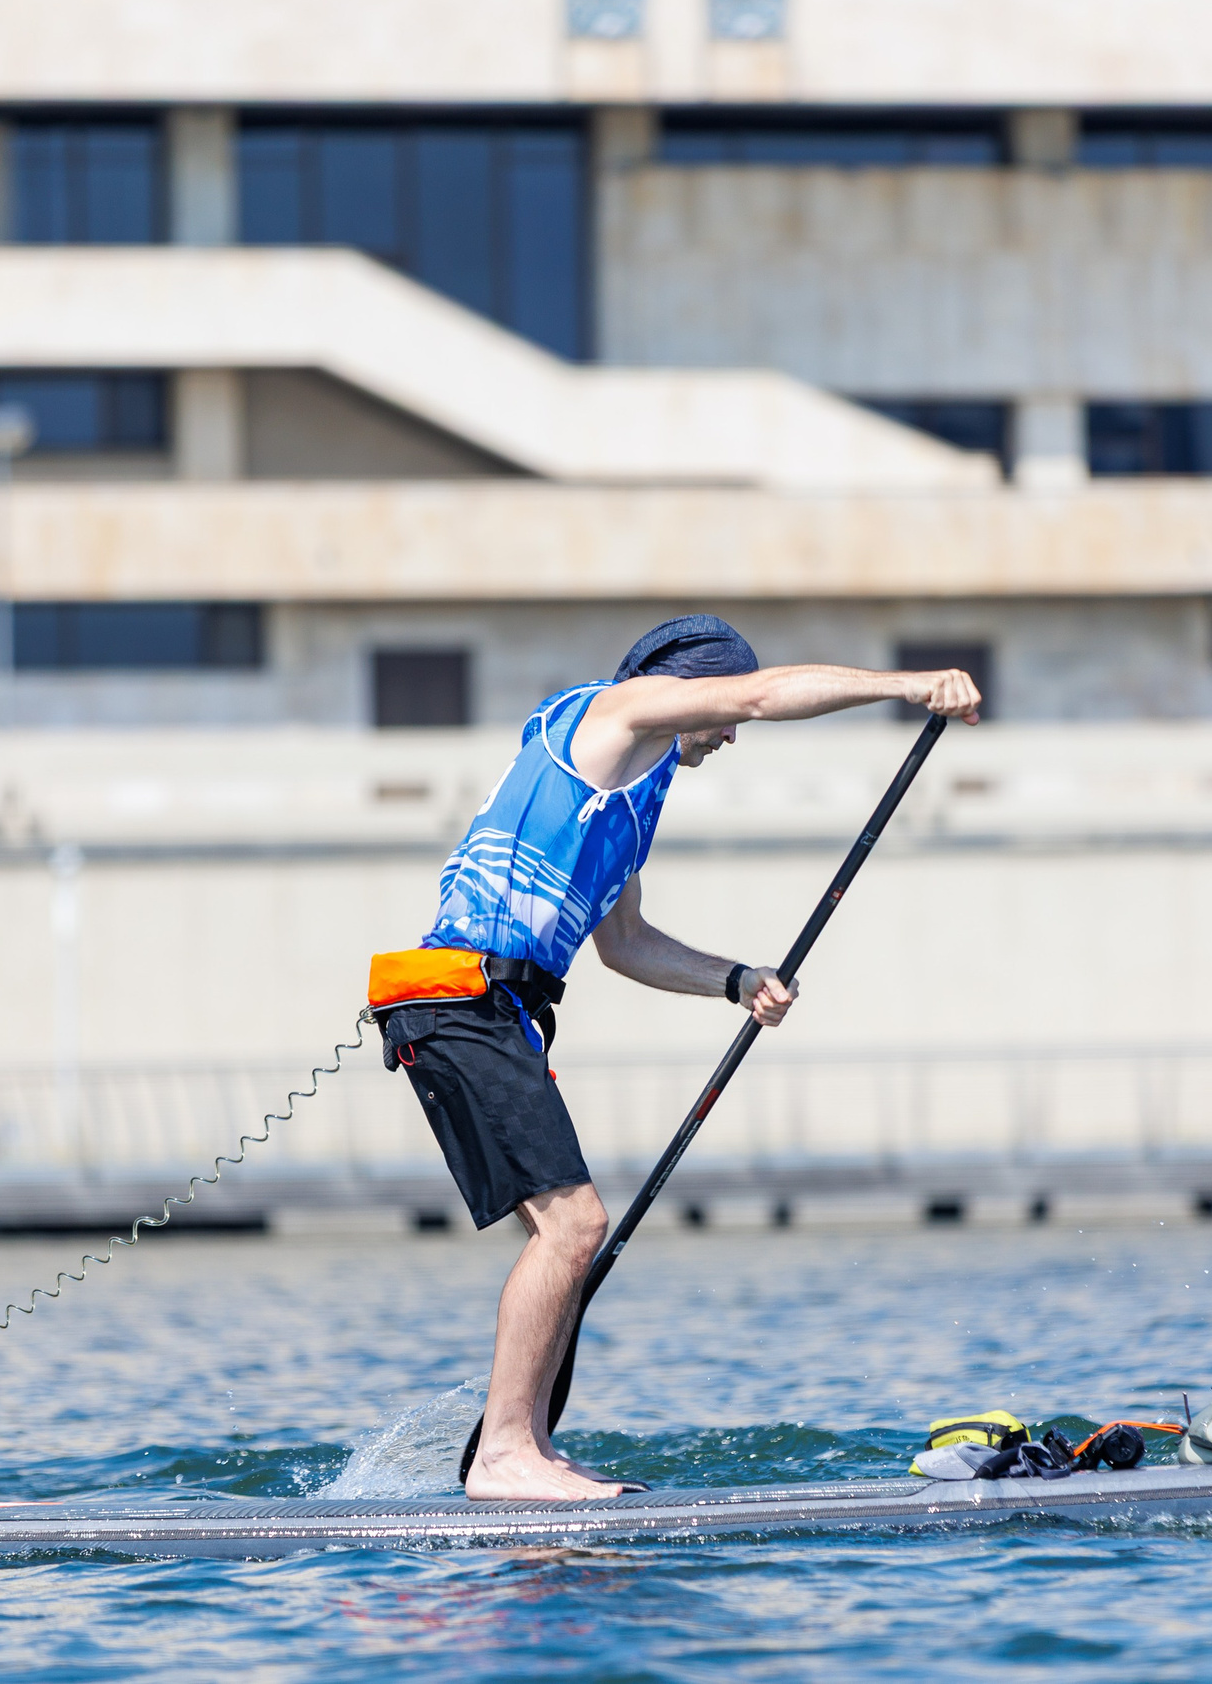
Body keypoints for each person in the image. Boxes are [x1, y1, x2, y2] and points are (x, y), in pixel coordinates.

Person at [372, 616, 982, 1500]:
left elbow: (625, 943)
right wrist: (910, 686)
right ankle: (503, 1456)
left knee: (563, 1237)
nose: (730, 734)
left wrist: (735, 980)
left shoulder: (632, 797)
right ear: (689, 686)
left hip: (490, 1011)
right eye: (720, 711)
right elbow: (763, 696)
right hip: (462, 999)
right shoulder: (613, 715)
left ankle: (526, 1448)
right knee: (575, 1226)